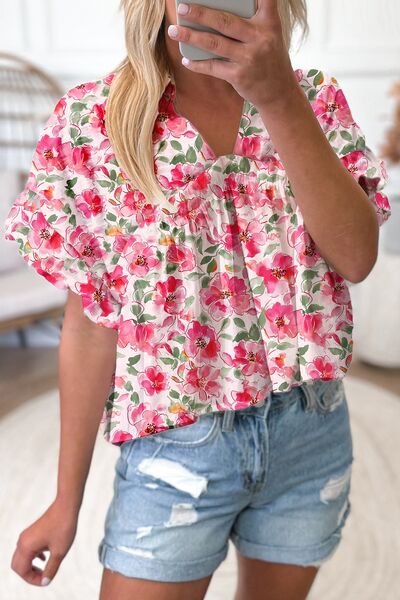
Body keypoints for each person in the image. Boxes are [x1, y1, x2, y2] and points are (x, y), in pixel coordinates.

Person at [5, 0, 391, 599]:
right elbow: (90, 324)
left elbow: (357, 258)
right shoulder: (92, 123)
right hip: (175, 447)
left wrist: (279, 100)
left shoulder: (314, 100)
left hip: (310, 434)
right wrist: (65, 500)